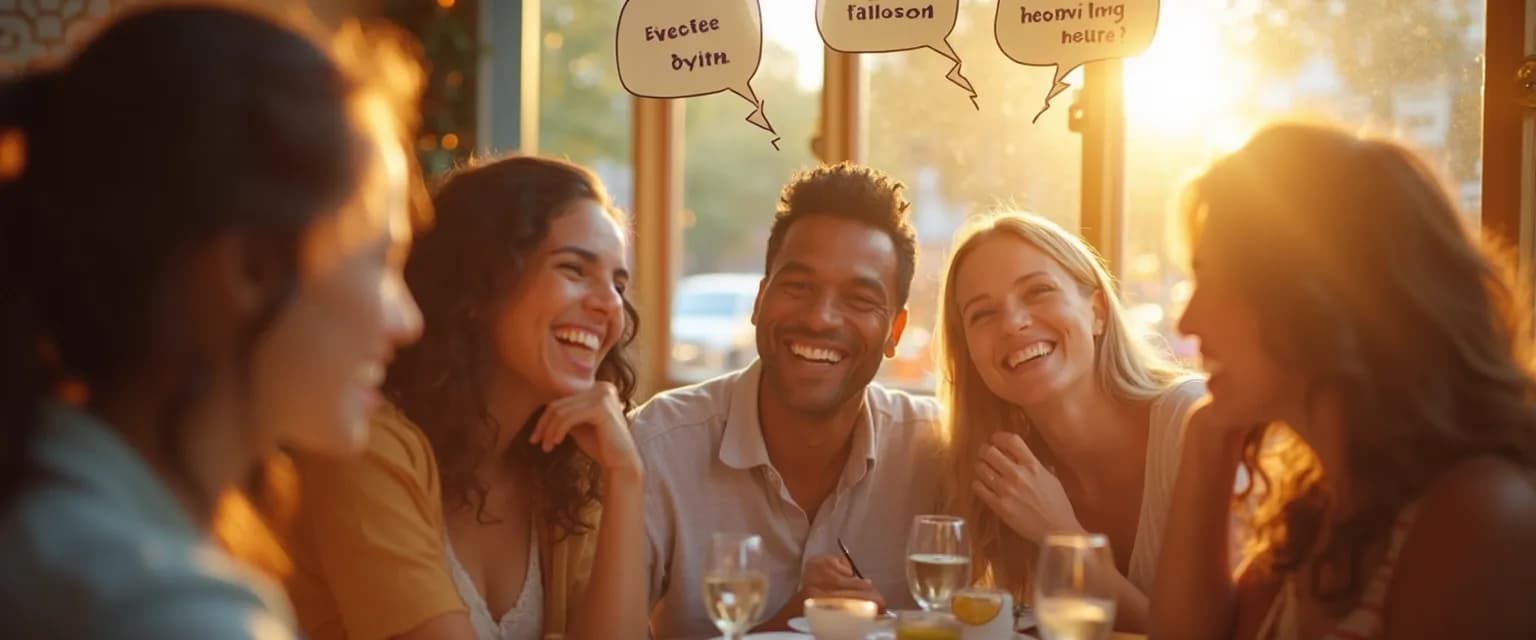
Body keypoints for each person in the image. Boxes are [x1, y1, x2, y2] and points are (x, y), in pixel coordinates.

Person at [0, 4, 422, 638]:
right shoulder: (166, 611)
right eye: (382, 260)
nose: (407, 320)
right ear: (251, 268)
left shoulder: (46, 520)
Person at [1152, 123, 1536, 639]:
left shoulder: (1477, 518)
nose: (1186, 321)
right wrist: (1206, 445)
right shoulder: (1319, 509)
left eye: (1215, 279)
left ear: (1317, 298)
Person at [283, 155, 648, 640]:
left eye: (618, 283)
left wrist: (624, 478)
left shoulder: (564, 469)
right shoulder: (367, 448)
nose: (609, 305)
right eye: (574, 270)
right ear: (479, 284)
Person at [632, 162, 945, 639]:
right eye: (799, 287)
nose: (820, 319)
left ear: (895, 332)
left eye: (859, 299)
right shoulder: (657, 447)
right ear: (759, 301)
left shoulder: (938, 449)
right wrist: (787, 626)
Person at [933, 210, 1202, 631]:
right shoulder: (1002, 472)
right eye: (982, 314)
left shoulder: (1193, 423)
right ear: (968, 352)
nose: (1014, 323)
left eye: (1038, 291)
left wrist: (1062, 536)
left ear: (1096, 311)